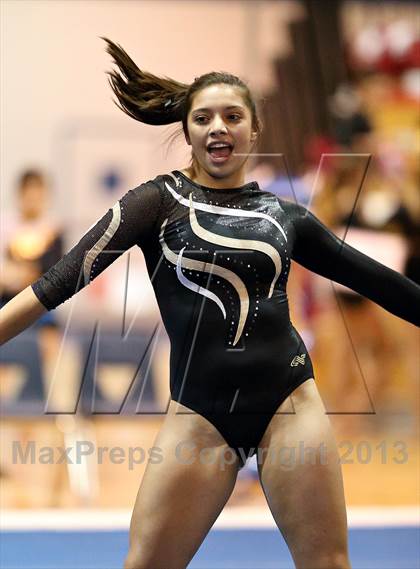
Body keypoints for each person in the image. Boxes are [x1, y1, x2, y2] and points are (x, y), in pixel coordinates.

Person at [1, 38, 419, 569]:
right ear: (188, 132)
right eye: (204, 117)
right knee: (146, 563)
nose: (218, 126)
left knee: (328, 564)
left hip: (289, 406)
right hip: (200, 414)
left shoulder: (284, 215)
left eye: (232, 115)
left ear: (253, 130)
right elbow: (57, 282)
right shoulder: (154, 203)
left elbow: (380, 282)